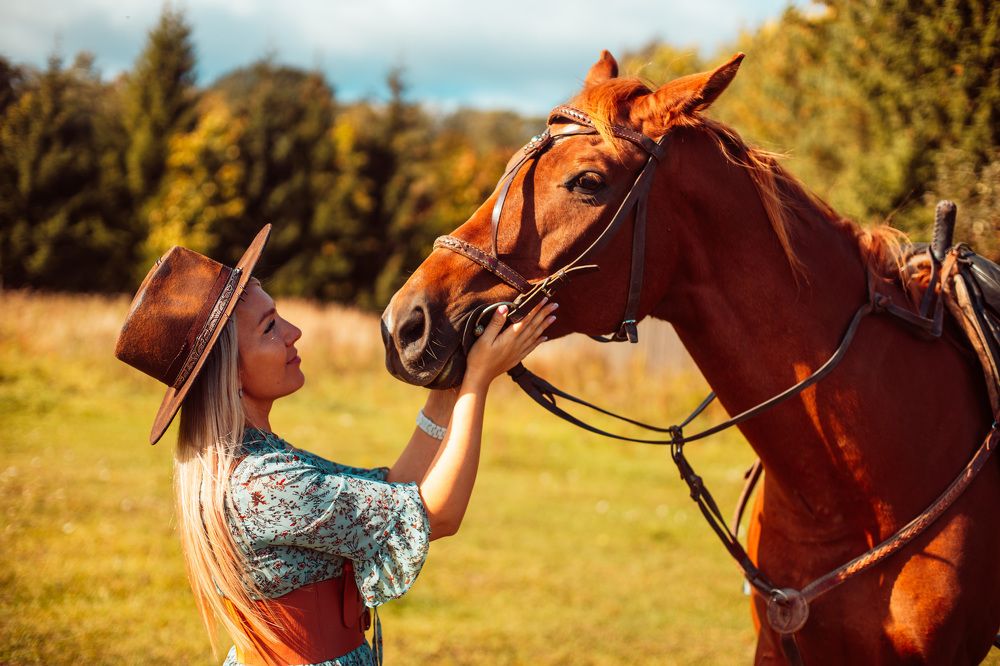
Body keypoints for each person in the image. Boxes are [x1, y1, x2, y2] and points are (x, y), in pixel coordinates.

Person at [114, 225, 557, 665]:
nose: (294, 331)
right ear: (228, 372)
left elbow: (398, 493)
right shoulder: (264, 484)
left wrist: (449, 384)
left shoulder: (253, 459)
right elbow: (436, 515)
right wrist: (478, 381)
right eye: (270, 328)